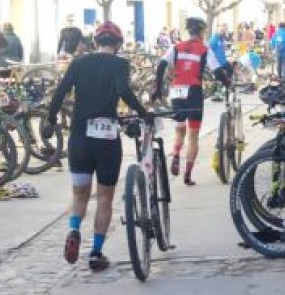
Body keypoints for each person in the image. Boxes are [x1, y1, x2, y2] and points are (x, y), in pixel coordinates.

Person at [44, 21, 148, 272]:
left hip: (79, 137)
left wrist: (49, 120)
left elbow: (60, 92)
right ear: (118, 44)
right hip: (107, 139)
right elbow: (123, 91)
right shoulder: (120, 64)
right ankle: (96, 252)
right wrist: (143, 112)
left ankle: (73, 229)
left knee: (79, 195)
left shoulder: (79, 62)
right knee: (104, 197)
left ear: (96, 42)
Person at [151, 17, 230, 186]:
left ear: (189, 31)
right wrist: (226, 82)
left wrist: (158, 89)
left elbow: (161, 65)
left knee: (179, 130)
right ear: (201, 32)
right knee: (193, 135)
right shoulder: (204, 49)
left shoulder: (176, 47)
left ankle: (177, 153)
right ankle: (187, 175)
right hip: (194, 90)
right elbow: (217, 72)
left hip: (177, 89)